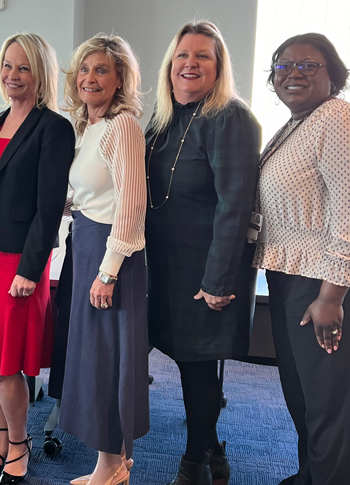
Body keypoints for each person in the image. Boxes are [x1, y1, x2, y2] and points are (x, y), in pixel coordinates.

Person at [0, 33, 75, 485]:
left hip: (17, 259)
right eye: (7, 65)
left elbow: (49, 208)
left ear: (40, 71)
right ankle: (2, 440)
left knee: (8, 362)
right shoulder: (4, 116)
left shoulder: (54, 127)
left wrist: (30, 269)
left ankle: (20, 446)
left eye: (23, 67)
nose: (12, 75)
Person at [145, 21, 261, 485]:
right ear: (170, 65)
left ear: (219, 67)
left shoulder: (230, 117)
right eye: (181, 55)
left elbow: (236, 204)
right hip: (165, 266)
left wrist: (217, 281)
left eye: (202, 56)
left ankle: (193, 464)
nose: (189, 64)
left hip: (207, 267)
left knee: (197, 367)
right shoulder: (161, 116)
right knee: (182, 359)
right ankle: (210, 441)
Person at [253, 33, 350, 485]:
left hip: (319, 283)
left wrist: (331, 295)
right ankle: (310, 474)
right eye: (283, 65)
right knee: (302, 394)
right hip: (289, 277)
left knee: (327, 404)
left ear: (333, 74)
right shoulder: (298, 123)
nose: (293, 73)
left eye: (308, 66)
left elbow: (347, 208)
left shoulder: (335, 117)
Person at [57, 34, 148, 485]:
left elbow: (131, 206)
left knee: (109, 358)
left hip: (114, 255)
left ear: (120, 80)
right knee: (95, 356)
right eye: (85, 70)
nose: (91, 78)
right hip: (89, 242)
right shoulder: (88, 125)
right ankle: (113, 461)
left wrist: (108, 272)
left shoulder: (122, 126)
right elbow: (92, 193)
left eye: (103, 71)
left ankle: (111, 466)